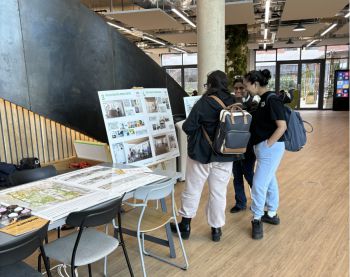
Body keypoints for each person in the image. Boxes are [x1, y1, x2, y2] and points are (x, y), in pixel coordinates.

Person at [170, 70, 242, 242]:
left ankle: (185, 225)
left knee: (193, 189)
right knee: (219, 193)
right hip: (226, 155)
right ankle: (216, 230)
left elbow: (188, 127)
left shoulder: (204, 102)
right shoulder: (234, 101)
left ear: (210, 85)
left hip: (202, 154)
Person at [243, 69, 287, 240]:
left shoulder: (272, 100)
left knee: (259, 184)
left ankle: (257, 218)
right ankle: (272, 212)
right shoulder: (262, 100)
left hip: (270, 149)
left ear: (255, 84)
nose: (246, 89)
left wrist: (267, 145)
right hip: (265, 149)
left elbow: (282, 126)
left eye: (247, 85)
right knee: (269, 180)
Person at [230, 77, 258, 213]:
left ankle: (260, 200)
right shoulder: (230, 103)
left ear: (246, 89)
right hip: (233, 145)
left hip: (248, 146)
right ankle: (240, 203)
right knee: (237, 175)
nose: (238, 91)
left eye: (241, 88)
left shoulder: (253, 103)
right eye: (236, 88)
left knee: (248, 174)